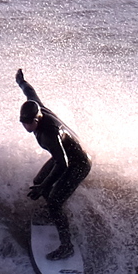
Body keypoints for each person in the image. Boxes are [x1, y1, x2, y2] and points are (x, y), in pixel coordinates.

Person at [16, 69, 90, 260]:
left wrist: (44, 187)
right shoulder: (37, 107)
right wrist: (21, 82)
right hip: (64, 156)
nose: (27, 127)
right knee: (38, 181)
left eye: (29, 123)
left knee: (54, 200)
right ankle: (54, 213)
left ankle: (66, 246)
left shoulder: (50, 133)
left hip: (78, 163)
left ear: (37, 119)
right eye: (23, 123)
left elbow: (63, 164)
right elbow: (30, 93)